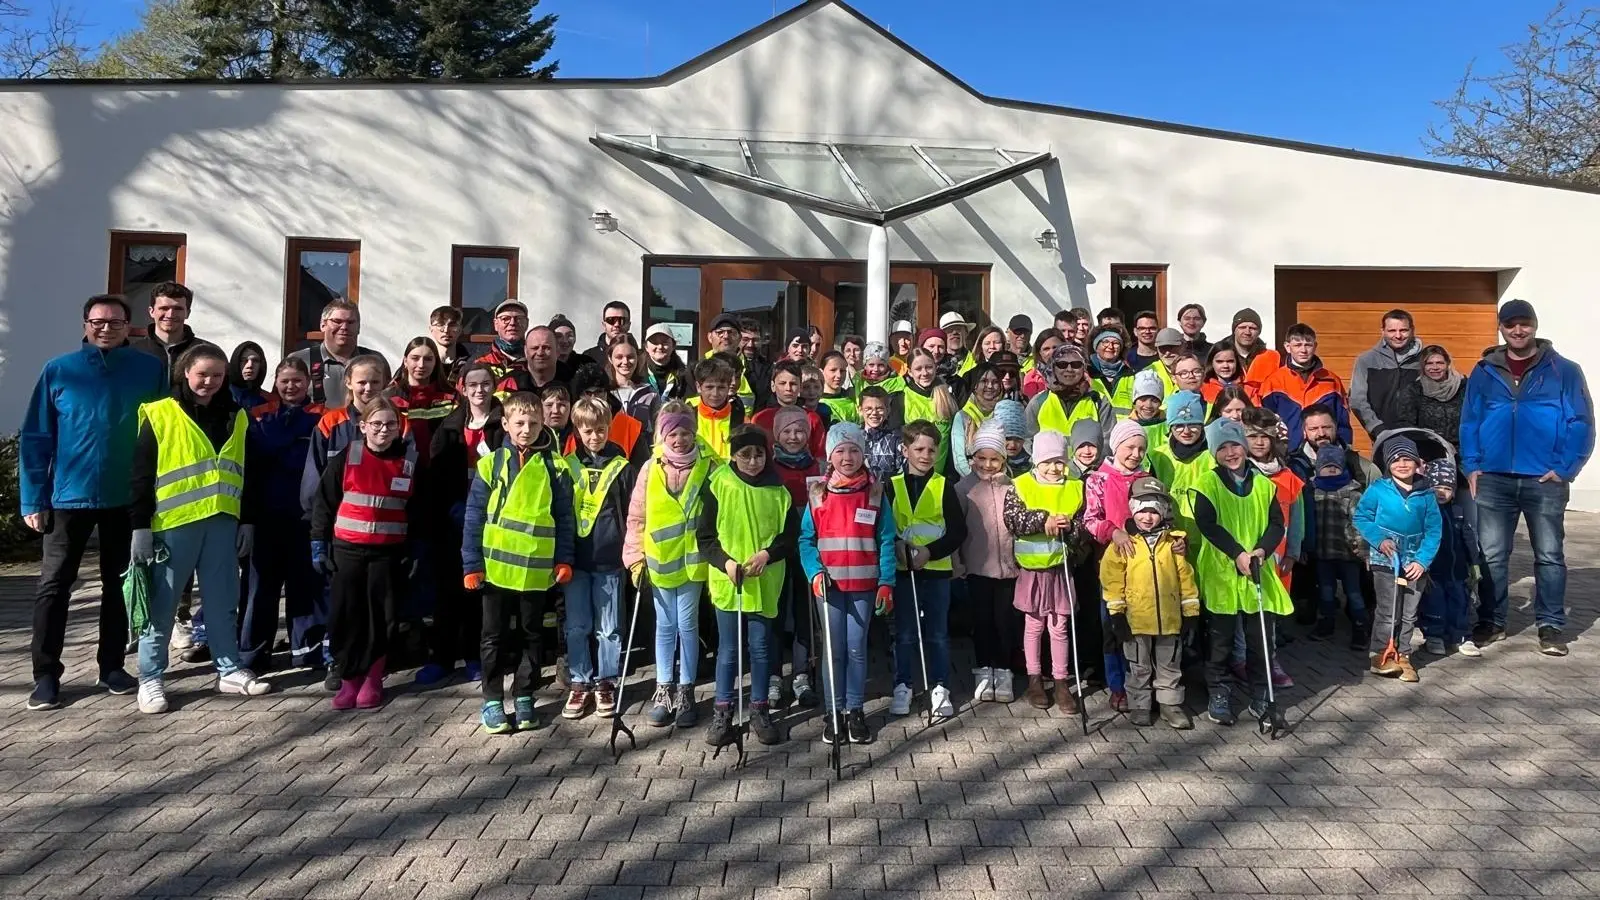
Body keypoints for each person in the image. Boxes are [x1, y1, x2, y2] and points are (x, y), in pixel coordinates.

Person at [20, 295, 167, 710]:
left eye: (115, 321)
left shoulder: (150, 370)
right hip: (68, 497)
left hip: (127, 497)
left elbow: (161, 435)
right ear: (85, 324)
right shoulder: (59, 370)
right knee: (54, 585)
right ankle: (46, 674)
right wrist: (33, 498)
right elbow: (36, 437)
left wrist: (155, 498)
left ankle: (112, 666)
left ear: (130, 326)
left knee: (121, 585)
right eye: (98, 321)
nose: (106, 328)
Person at [129, 343, 272, 713]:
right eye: (202, 374)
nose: (208, 382)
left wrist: (248, 521)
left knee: (224, 601)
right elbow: (141, 476)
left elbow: (250, 475)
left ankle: (228, 669)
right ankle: (150, 679)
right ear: (185, 374)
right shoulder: (160, 413)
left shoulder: (237, 416)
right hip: (173, 525)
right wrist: (140, 527)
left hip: (223, 523)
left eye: (217, 375)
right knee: (161, 606)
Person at [1460, 299, 1593, 658]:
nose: (1518, 331)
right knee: (1491, 555)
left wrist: (1566, 468)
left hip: (1544, 480)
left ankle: (1550, 625)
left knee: (1549, 555)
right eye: (1510, 324)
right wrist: (1472, 465)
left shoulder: (1563, 370)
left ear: (1535, 325)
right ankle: (1492, 621)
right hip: (1494, 477)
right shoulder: (1483, 371)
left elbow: (1580, 422)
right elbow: (1470, 421)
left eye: (1524, 324)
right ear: (1501, 328)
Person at [463, 391, 575, 734]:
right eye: (520, 423)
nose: (527, 429)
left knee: (531, 635)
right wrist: (471, 565)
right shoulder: (490, 464)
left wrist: (564, 560)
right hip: (495, 570)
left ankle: (525, 694)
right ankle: (493, 699)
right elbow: (474, 517)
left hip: (536, 570)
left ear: (544, 424)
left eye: (534, 423)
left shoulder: (557, 467)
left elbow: (565, 518)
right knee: (493, 636)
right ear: (506, 424)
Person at [311, 397, 423, 710]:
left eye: (390, 424)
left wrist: (415, 551)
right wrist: (317, 542)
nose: (384, 430)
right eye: (376, 424)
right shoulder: (349, 456)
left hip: (388, 554)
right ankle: (349, 680)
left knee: (381, 619)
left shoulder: (410, 462)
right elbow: (324, 502)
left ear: (399, 427)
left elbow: (418, 512)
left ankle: (373, 679)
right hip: (347, 551)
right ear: (363, 427)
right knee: (347, 617)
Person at [698, 425, 798, 748]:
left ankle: (759, 708)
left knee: (761, 646)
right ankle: (723, 710)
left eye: (758, 454)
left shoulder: (778, 490)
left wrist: (768, 554)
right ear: (733, 455)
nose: (753, 461)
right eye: (745, 455)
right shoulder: (718, 484)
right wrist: (725, 562)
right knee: (728, 650)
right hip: (729, 580)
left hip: (765, 580)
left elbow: (789, 536)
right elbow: (705, 537)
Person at [799, 423, 897, 746]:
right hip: (829, 586)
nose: (848, 457)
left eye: (854, 450)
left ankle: (855, 709)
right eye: (840, 451)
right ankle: (834, 712)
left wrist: (886, 582)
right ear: (830, 456)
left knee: (856, 648)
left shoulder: (874, 491)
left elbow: (885, 539)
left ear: (863, 453)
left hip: (864, 584)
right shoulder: (818, 492)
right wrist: (814, 572)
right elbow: (806, 540)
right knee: (834, 651)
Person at [1190, 417, 1288, 727]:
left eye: (1235, 445)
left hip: (1257, 570)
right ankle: (1219, 692)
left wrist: (1260, 551)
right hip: (1222, 572)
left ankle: (1261, 694)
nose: (1231, 453)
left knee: (1259, 639)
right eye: (1223, 448)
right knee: (1220, 640)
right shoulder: (1206, 483)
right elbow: (1207, 524)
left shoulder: (1264, 484)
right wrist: (1237, 553)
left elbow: (1276, 524)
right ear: (1213, 453)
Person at [623, 403, 713, 729]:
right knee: (664, 625)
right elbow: (637, 516)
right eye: (673, 433)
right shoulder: (650, 468)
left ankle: (686, 689)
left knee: (687, 624)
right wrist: (634, 559)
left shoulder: (709, 466)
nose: (679, 440)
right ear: (663, 434)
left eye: (686, 433)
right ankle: (664, 687)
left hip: (692, 562)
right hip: (658, 559)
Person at [238, 358, 323, 675]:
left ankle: (306, 651)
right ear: (276, 381)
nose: (291, 386)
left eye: (298, 380)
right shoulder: (258, 416)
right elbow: (249, 467)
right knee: (260, 589)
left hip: (304, 518)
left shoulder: (321, 417)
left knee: (305, 588)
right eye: (285, 380)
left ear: (308, 383)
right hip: (265, 516)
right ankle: (253, 654)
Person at [421, 362, 501, 684]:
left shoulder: (503, 425)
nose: (479, 390)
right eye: (473, 385)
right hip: (453, 518)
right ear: (463, 389)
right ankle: (441, 658)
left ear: (493, 387)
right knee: (447, 591)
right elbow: (435, 477)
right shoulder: (449, 426)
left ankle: (473, 656)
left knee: (478, 593)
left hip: (490, 519)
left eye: (485, 384)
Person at [560, 397, 636, 721]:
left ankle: (606, 681)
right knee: (577, 626)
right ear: (577, 430)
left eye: (601, 430)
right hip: (575, 560)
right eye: (588, 431)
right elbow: (561, 513)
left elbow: (634, 512)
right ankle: (580, 681)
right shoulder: (568, 467)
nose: (595, 437)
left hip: (609, 559)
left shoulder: (622, 466)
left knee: (609, 627)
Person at [1102, 476, 1199, 729]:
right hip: (1136, 618)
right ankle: (1140, 704)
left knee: (1169, 664)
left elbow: (1185, 578)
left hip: (1169, 617)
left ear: (1163, 513)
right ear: (1133, 510)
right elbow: (1112, 581)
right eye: (1142, 511)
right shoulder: (1123, 545)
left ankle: (1170, 704)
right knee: (1138, 665)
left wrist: (1191, 612)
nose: (1147, 517)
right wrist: (1116, 614)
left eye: (1154, 511)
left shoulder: (1173, 543)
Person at [1004, 430, 1088, 714]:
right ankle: (1035, 678)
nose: (1054, 468)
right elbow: (1013, 519)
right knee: (1034, 625)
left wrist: (1071, 528)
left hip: (1060, 569)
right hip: (1033, 569)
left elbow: (1084, 525)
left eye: (1059, 462)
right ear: (1036, 462)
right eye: (1047, 462)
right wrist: (1043, 520)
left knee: (1060, 625)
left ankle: (1062, 681)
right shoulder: (1021, 485)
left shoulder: (1076, 487)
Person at [888, 421, 966, 720]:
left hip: (935, 570)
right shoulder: (891, 485)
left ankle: (940, 686)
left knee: (937, 633)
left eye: (931, 450)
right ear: (905, 450)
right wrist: (898, 545)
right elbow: (884, 528)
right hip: (902, 569)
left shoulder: (944, 485)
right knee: (905, 632)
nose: (925, 455)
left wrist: (929, 552)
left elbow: (958, 531)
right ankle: (903, 684)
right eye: (919, 449)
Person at [1352, 436, 1441, 683]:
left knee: (1409, 613)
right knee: (1388, 610)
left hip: (1415, 564)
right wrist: (1380, 540)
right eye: (1396, 460)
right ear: (1388, 464)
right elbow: (1361, 517)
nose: (1402, 464)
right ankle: (1381, 653)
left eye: (1407, 459)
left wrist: (1422, 561)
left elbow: (1434, 530)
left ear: (1417, 463)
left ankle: (1403, 653)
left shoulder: (1427, 495)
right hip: (1386, 560)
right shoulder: (1378, 490)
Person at [1082, 420, 1149, 713]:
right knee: (1113, 626)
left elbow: (1162, 514)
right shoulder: (1098, 478)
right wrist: (1114, 532)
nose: (1135, 453)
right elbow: (1091, 519)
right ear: (1116, 446)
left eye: (1141, 448)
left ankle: (1142, 684)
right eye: (1130, 447)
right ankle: (1117, 685)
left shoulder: (1146, 478)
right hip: (1110, 567)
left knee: (1142, 627)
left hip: (1146, 567)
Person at [957, 421, 1020, 705]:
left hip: (1009, 568)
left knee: (1005, 621)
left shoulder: (1014, 487)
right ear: (972, 459)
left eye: (994, 459)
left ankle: (1004, 670)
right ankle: (983, 670)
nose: (987, 464)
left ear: (1003, 460)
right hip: (976, 567)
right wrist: (957, 561)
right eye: (980, 458)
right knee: (981, 621)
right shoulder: (963, 488)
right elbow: (957, 529)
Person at [1242, 407, 1303, 690]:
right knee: (1244, 609)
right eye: (1252, 436)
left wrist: (1293, 551)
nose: (1259, 442)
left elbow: (1298, 519)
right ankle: (1241, 659)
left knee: (1269, 612)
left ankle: (1270, 659)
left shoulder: (1288, 477)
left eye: (1265, 437)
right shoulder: (1241, 474)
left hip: (1278, 557)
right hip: (1247, 554)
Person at [769, 406, 820, 708]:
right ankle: (774, 676)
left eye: (799, 431)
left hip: (807, 546)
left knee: (804, 610)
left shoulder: (818, 466)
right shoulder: (769, 468)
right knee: (774, 610)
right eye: (787, 431)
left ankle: (802, 675)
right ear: (777, 435)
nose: (793, 436)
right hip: (776, 547)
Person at [1307, 444, 1369, 649]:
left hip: (1348, 554)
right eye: (1327, 466)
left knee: (1353, 592)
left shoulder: (1352, 492)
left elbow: (1359, 524)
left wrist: (1361, 550)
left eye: (1336, 466)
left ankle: (1360, 627)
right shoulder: (1312, 490)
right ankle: (1326, 623)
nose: (1331, 469)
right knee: (1325, 591)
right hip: (1322, 553)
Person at [1256, 323, 1351, 452]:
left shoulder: (1331, 381)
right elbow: (1265, 424)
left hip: (1325, 453)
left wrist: (1344, 450)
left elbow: (1343, 422)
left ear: (1315, 346)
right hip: (1288, 454)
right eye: (1297, 345)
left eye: (1308, 345)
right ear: (1288, 347)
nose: (1303, 350)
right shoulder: (1273, 382)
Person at [1417, 457, 1475, 657]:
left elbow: (1468, 538)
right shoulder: (1425, 512)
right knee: (1434, 603)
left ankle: (1460, 636)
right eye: (1437, 487)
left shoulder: (1458, 512)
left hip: (1457, 569)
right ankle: (1434, 636)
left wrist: (1474, 563)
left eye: (1447, 488)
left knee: (1460, 602)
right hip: (1434, 570)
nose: (1442, 492)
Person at [289, 299, 382, 409]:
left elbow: (389, 402)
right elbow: (281, 406)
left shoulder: (376, 360)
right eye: (337, 321)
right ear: (323, 325)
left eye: (351, 322)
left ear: (359, 327)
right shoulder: (300, 360)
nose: (344, 327)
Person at [1349, 309, 1423, 441]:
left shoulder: (1424, 360)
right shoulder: (1367, 360)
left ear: (1412, 330)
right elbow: (1357, 400)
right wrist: (1376, 428)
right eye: (1392, 331)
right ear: (1382, 331)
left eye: (1403, 330)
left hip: (1420, 436)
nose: (1398, 335)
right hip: (1382, 435)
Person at [1147, 391, 1212, 540]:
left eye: (1193, 424)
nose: (1187, 431)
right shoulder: (1157, 457)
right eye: (1179, 425)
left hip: (1208, 539)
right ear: (1170, 427)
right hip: (1170, 538)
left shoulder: (1213, 455)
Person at [1025, 343, 1114, 442]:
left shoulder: (1099, 401)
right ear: (1053, 367)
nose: (1069, 369)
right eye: (1062, 365)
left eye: (1076, 364)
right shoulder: (1039, 402)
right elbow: (1027, 440)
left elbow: (1109, 440)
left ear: (1083, 368)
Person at [386, 336, 457, 453]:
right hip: (399, 465)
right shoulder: (389, 398)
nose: (421, 365)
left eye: (428, 359)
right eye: (415, 358)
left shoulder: (452, 398)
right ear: (405, 361)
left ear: (436, 362)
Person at [892, 349, 958, 470]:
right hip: (911, 476)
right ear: (910, 372)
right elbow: (895, 442)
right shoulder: (900, 399)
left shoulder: (948, 397)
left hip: (941, 478)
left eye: (929, 367)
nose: (925, 373)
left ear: (935, 367)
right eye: (918, 369)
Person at [1392, 345, 1466, 452]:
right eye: (1429, 363)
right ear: (1423, 366)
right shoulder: (1414, 390)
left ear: (1448, 364)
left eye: (1440, 363)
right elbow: (1405, 424)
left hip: (1464, 450)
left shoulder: (1464, 387)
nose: (1435, 367)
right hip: (1429, 450)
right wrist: (1425, 435)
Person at [565, 366, 646, 462]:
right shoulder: (571, 427)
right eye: (588, 393)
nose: (594, 397)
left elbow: (641, 471)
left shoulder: (631, 426)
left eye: (599, 391)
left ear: (607, 393)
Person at [131, 281, 205, 385]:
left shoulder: (204, 351)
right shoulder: (134, 352)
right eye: (164, 308)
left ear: (187, 313)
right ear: (151, 311)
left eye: (178, 309)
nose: (170, 315)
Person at [753, 360, 828, 459]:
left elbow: (820, 456)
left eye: (793, 384)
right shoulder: (760, 419)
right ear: (773, 386)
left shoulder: (812, 418)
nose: (788, 388)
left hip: (804, 472)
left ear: (800, 387)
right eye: (782, 383)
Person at [687, 355, 744, 460]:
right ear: (699, 387)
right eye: (709, 387)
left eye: (721, 387)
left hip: (728, 474)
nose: (715, 393)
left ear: (728, 387)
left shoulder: (737, 412)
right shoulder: (687, 412)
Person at [952, 362, 1004, 476]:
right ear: (975, 385)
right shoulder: (962, 416)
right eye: (984, 381)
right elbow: (959, 459)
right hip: (971, 482)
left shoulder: (1005, 413)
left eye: (995, 382)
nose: (990, 386)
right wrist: (976, 481)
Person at [605, 334, 659, 435]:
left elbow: (658, 431)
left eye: (630, 357)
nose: (625, 362)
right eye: (619, 357)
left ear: (637, 357)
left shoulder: (650, 393)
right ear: (610, 358)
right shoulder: (603, 392)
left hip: (642, 449)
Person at [474, 300, 530, 387]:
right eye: (505, 319)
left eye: (519, 319)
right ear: (495, 324)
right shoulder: (479, 361)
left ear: (526, 324)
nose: (512, 323)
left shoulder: (535, 359)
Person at [1088, 326, 1136, 420]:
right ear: (1096, 346)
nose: (1110, 346)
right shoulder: (1087, 373)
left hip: (1124, 432)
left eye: (1116, 343)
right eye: (1105, 342)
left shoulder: (1130, 375)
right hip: (1095, 431)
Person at [857, 385, 901, 482]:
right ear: (860, 410)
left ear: (888, 410)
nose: (874, 413)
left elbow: (901, 473)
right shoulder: (853, 437)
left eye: (879, 408)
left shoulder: (896, 439)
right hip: (860, 493)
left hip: (887, 493)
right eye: (868, 408)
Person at [642, 324, 691, 403]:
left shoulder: (685, 375)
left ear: (673, 345)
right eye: (655, 342)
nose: (660, 346)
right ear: (646, 347)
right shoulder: (638, 373)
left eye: (664, 342)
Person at [428, 306, 471, 386]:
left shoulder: (470, 365)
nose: (446, 330)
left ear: (460, 329)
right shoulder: (421, 362)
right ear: (431, 329)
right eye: (440, 325)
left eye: (452, 325)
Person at [548, 314, 595, 384]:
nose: (565, 341)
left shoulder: (587, 363)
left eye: (569, 335)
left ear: (575, 339)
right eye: (558, 336)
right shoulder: (544, 364)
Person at [585, 300, 633, 367]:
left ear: (629, 325)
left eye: (622, 320)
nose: (616, 324)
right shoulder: (589, 357)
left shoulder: (640, 357)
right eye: (611, 320)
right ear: (604, 325)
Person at [737, 317, 771, 409]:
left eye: (755, 340)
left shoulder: (769, 369)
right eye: (745, 339)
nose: (750, 345)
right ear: (737, 339)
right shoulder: (729, 366)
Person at [818, 351, 859, 426]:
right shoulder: (816, 402)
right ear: (821, 372)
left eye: (842, 371)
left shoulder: (854, 399)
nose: (839, 375)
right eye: (833, 370)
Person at [1020, 329, 1063, 399]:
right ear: (1039, 353)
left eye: (1055, 347)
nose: (1052, 352)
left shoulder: (1076, 371)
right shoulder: (1032, 377)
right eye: (1046, 349)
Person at [1129, 370, 1167, 447]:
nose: (1148, 405)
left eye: (1154, 400)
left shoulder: (1169, 426)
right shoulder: (1127, 427)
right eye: (1143, 399)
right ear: (1134, 401)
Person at [228, 342, 270, 411]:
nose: (250, 365)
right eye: (243, 360)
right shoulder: (220, 395)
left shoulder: (268, 400)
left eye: (255, 360)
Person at [942, 311, 975, 375]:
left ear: (966, 333)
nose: (954, 332)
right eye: (949, 330)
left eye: (958, 329)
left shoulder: (976, 360)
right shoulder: (935, 363)